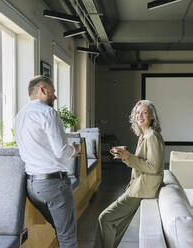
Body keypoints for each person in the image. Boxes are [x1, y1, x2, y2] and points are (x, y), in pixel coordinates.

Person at [15, 75, 80, 248]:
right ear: (43, 90)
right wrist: (75, 149)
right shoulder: (48, 112)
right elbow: (61, 151)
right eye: (53, 92)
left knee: (61, 230)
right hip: (54, 185)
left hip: (32, 186)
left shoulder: (20, 115)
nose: (55, 97)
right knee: (68, 236)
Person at [94, 100, 165, 248]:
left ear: (152, 116)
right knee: (117, 225)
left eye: (144, 112)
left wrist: (128, 156)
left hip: (143, 190)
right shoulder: (144, 135)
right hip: (139, 187)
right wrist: (124, 156)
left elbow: (154, 167)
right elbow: (140, 162)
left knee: (105, 218)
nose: (140, 116)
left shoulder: (152, 136)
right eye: (138, 113)